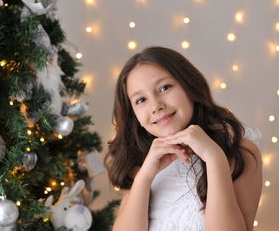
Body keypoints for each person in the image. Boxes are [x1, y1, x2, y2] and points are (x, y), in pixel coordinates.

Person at [104, 46, 262, 231]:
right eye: (141, 100)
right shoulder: (140, 162)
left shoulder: (240, 151)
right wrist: (145, 176)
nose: (156, 105)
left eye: (165, 87)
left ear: (189, 85)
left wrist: (214, 157)